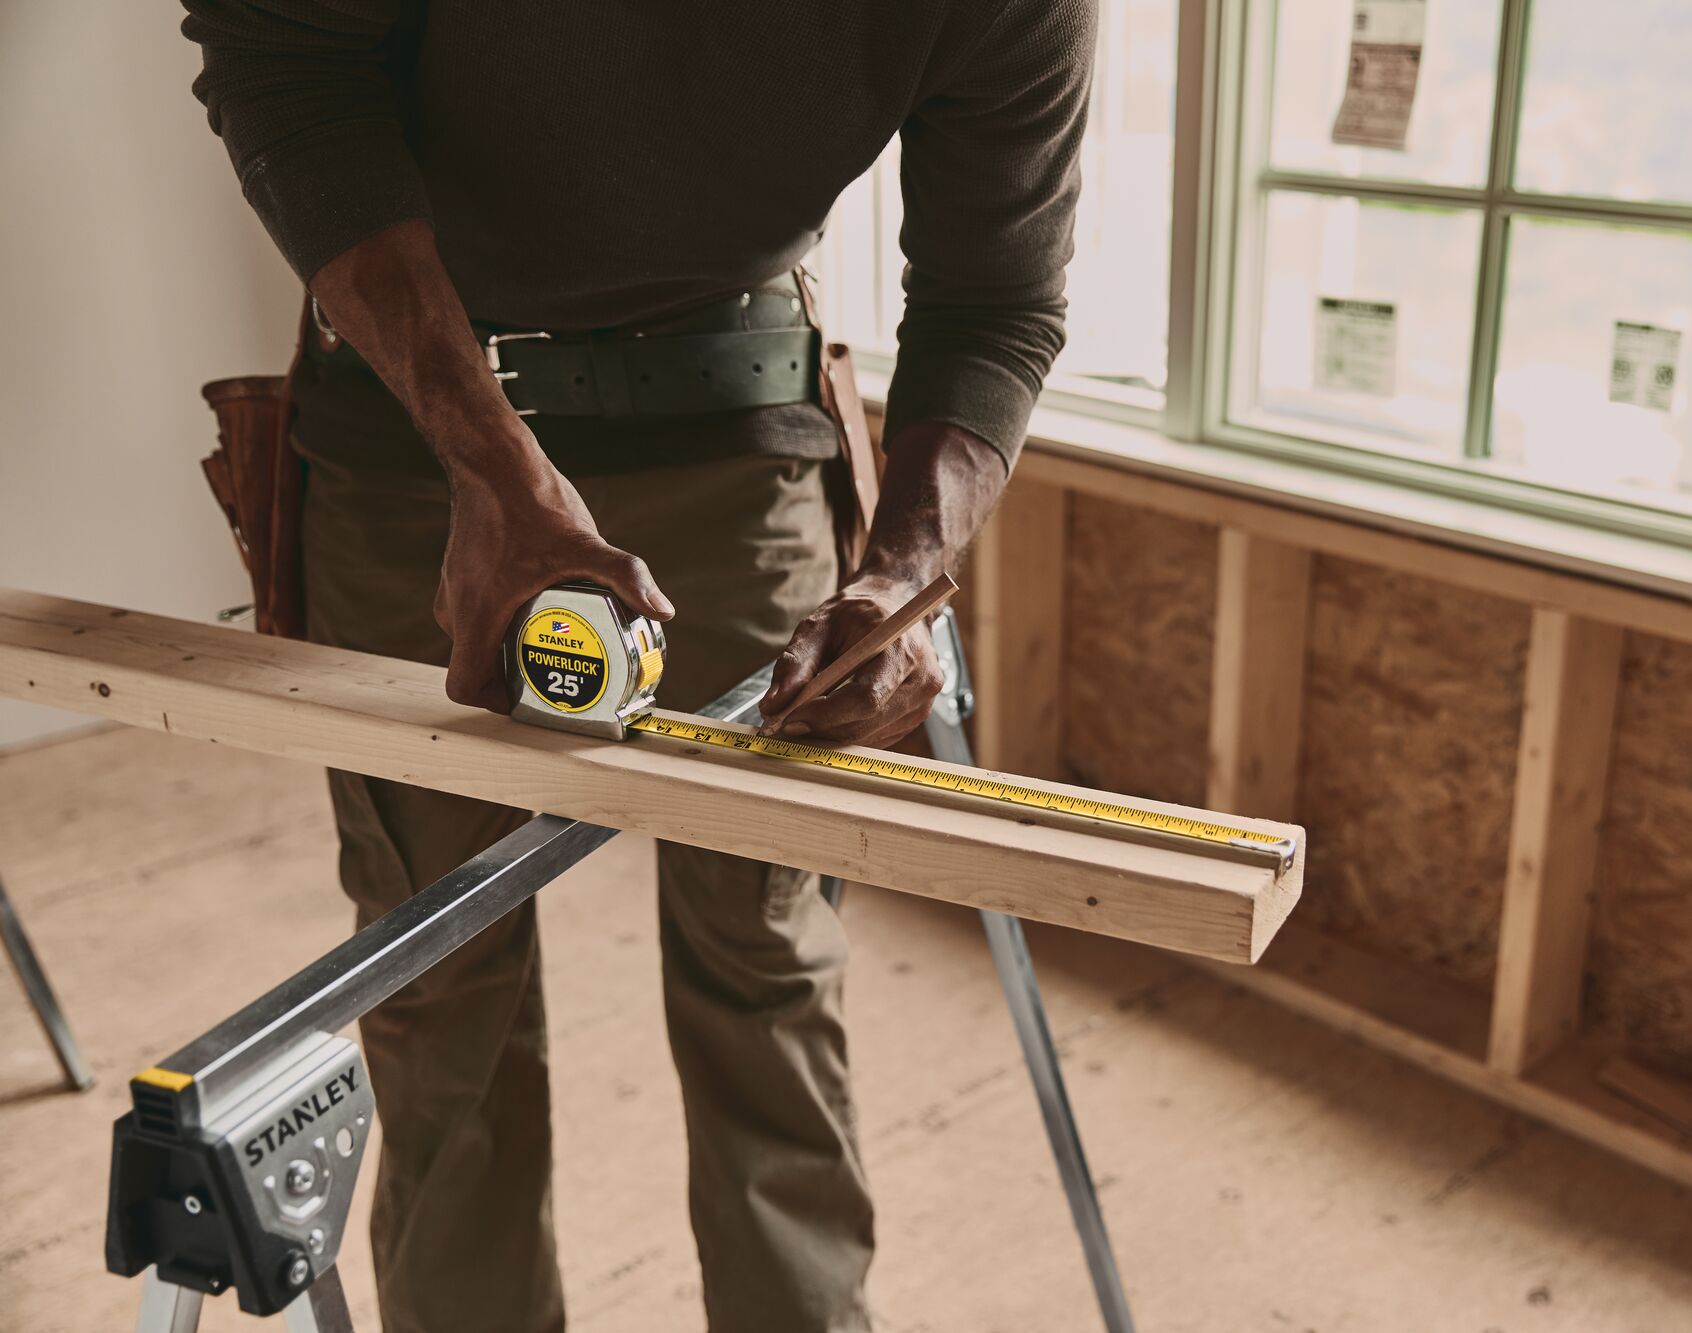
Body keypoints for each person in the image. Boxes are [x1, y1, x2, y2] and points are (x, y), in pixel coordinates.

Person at [179, 3, 1096, 1330]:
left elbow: (999, 293)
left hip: (742, 420)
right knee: (441, 981)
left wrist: (902, 571)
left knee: (766, 958)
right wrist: (490, 466)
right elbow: (287, 69)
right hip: (413, 430)